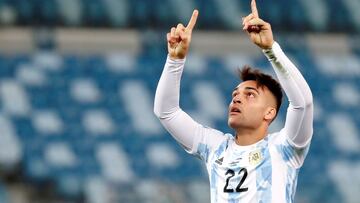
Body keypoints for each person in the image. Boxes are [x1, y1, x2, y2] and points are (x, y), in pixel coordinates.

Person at [154, 0, 313, 202]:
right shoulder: (216, 147)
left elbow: (303, 103)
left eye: (250, 94)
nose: (237, 98)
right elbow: (166, 112)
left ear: (269, 113)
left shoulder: (284, 148)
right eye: (235, 95)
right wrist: (175, 60)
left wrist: (271, 49)